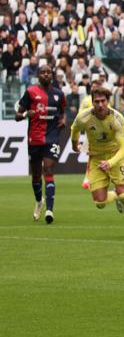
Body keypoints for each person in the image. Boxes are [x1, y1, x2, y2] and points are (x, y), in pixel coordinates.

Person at [70, 87, 124, 238]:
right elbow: (74, 128)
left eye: (103, 101)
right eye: (97, 101)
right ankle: (115, 196)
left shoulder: (117, 118)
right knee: (99, 202)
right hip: (96, 158)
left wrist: (110, 162)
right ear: (92, 102)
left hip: (116, 157)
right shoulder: (83, 117)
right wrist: (74, 144)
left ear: (108, 101)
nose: (100, 105)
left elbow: (123, 148)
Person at [14, 65, 66, 223]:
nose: (45, 74)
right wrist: (24, 114)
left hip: (52, 138)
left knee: (48, 169)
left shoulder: (59, 94)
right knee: (36, 175)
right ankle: (39, 201)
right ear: (38, 75)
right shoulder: (30, 92)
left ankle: (49, 210)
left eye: (48, 72)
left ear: (52, 75)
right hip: (35, 138)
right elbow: (17, 115)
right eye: (42, 72)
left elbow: (63, 112)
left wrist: (63, 120)